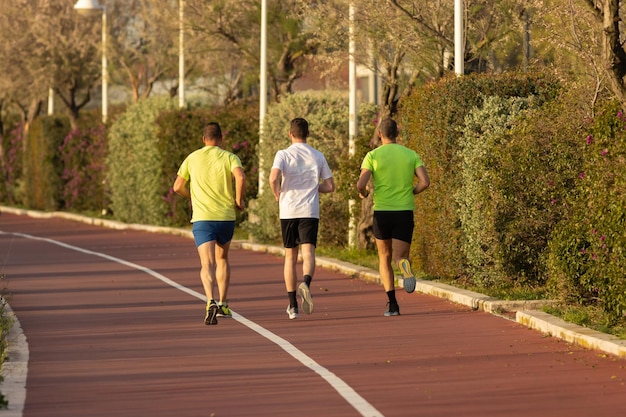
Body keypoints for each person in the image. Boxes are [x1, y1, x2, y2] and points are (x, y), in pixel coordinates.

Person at [173, 122, 246, 325]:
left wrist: (192, 197)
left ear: (203, 139)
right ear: (221, 139)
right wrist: (239, 201)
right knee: (222, 258)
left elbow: (177, 186)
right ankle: (223, 303)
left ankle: (209, 301)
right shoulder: (230, 157)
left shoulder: (192, 158)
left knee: (207, 263)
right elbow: (240, 177)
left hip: (202, 218)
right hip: (225, 217)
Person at [356, 118, 430, 317]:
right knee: (401, 256)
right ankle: (405, 267)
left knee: (384, 257)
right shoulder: (410, 154)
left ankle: (392, 304)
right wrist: (412, 192)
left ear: (379, 134)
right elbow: (425, 181)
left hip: (382, 213)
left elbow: (360, 184)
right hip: (404, 211)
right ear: (397, 133)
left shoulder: (372, 156)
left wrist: (363, 193)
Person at [269, 117, 335, 319]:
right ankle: (305, 283)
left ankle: (292, 306)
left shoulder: (283, 154)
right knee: (309, 254)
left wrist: (277, 193)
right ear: (308, 134)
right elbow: (331, 186)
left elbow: (273, 178)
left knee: (290, 257)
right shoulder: (317, 155)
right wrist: (315, 187)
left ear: (290, 134)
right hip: (309, 211)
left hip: (288, 210)